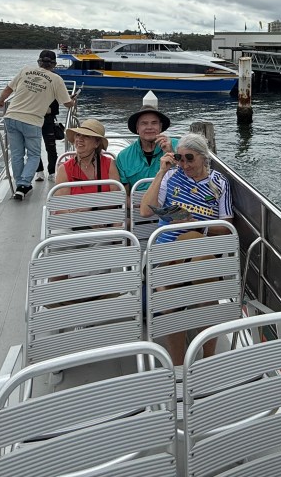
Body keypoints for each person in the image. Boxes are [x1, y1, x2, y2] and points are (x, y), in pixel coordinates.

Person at [139, 132, 232, 365]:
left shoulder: (219, 183)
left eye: (190, 158)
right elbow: (145, 211)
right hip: (168, 248)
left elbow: (226, 228)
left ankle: (204, 361)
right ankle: (183, 365)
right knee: (180, 297)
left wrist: (198, 225)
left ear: (203, 157)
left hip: (202, 249)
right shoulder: (171, 176)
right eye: (179, 158)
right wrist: (161, 172)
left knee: (201, 291)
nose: (184, 164)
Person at [0, 50, 76, 201]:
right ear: (54, 64)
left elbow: (8, 89)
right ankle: (23, 185)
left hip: (11, 116)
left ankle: (19, 185)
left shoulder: (25, 70)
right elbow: (67, 103)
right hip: (31, 121)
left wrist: (0, 102)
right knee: (33, 154)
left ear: (39, 62)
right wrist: (72, 101)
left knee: (17, 154)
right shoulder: (56, 79)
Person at [115, 103, 178, 190]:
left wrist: (171, 152)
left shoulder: (178, 146)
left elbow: (189, 176)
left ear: (160, 127)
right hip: (137, 199)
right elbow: (125, 194)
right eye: (144, 123)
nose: (149, 127)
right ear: (137, 128)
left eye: (154, 123)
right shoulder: (123, 156)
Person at [53, 119, 120, 192]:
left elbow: (116, 197)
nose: (80, 139)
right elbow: (62, 199)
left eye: (86, 136)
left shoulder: (109, 165)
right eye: (78, 135)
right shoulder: (64, 169)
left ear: (97, 143)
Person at [34, 99, 60, 183]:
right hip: (33, 119)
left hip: (48, 119)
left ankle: (52, 172)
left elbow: (56, 105)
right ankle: (39, 171)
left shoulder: (52, 91)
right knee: (34, 147)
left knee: (51, 147)